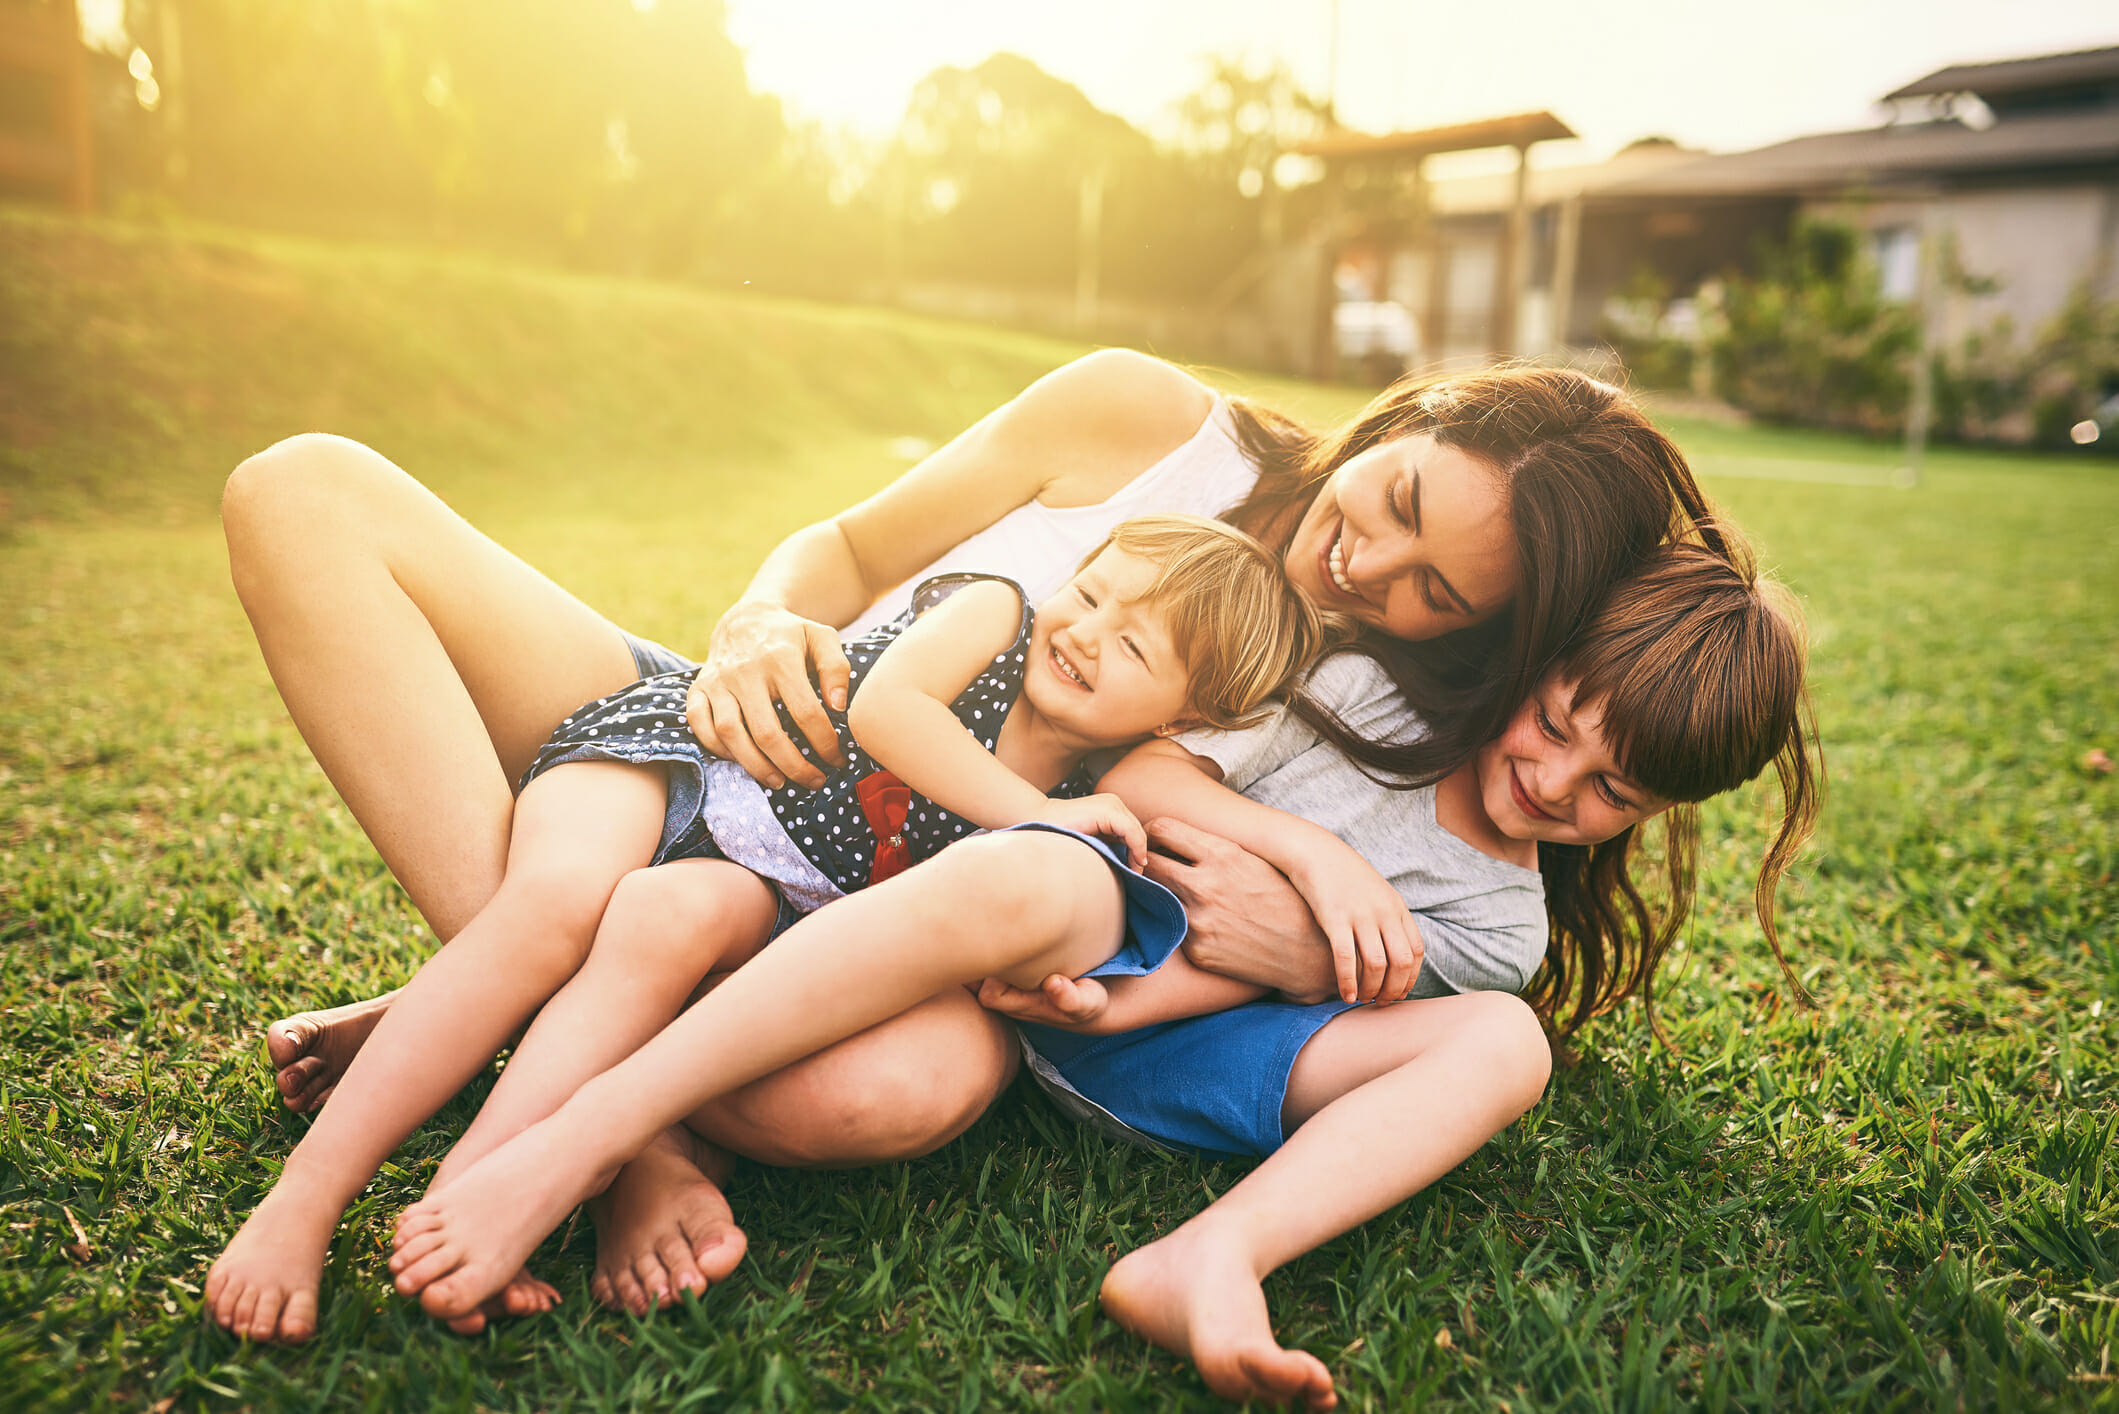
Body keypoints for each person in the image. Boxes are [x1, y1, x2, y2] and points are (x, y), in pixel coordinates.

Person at [207, 354, 1716, 1397]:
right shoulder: (1148, 422)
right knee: (306, 487)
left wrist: (1299, 926)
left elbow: (1266, 865)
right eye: (1389, 503)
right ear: (1405, 415)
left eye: (1432, 589)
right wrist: (753, 629)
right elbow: (847, 546)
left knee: (868, 1100)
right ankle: (584, 1082)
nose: (1362, 572)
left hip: (931, 908)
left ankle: (539, 1029)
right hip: (775, 753)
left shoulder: (1375, 680)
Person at [380, 536, 1819, 1353]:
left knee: (1505, 1040)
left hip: (1153, 1041)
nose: (1555, 782)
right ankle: (597, 1125)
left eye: (1608, 790)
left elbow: (1297, 982)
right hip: (1037, 921)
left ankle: (1209, 1258)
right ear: (1536, 667)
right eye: (1555, 724)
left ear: (1658, 809)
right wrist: (1301, 852)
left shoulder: (1499, 919)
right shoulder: (1366, 698)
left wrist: (1132, 1001)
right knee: (1047, 865)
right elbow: (1140, 778)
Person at [293, 516, 1335, 1326]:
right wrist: (1041, 811)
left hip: (745, 893)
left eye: (1136, 643)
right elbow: (888, 711)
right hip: (686, 776)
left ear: (1182, 716)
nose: (1087, 632)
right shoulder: (996, 615)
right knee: (550, 913)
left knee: (659, 923)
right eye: (1095, 590)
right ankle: (321, 1200)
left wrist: (1301, 870)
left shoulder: (1106, 784)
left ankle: (461, 1200)